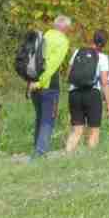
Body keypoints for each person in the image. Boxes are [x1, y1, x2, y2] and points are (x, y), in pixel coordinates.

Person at [29, 14, 72, 158]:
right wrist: (40, 82)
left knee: (39, 117)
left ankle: (37, 150)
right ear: (66, 28)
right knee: (48, 119)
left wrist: (33, 82)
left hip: (33, 83)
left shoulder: (44, 36)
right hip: (48, 86)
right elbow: (52, 65)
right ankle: (40, 154)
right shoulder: (62, 41)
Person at [64, 28, 109, 154]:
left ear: (93, 39)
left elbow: (68, 74)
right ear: (104, 43)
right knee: (94, 130)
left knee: (76, 130)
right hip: (92, 94)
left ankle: (67, 157)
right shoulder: (102, 58)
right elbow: (105, 82)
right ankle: (90, 159)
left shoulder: (78, 52)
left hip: (74, 93)